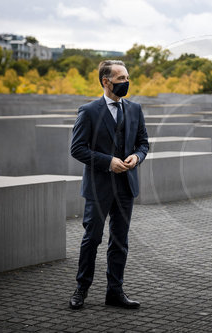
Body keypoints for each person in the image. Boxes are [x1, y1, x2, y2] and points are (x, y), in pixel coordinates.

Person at [69, 60, 149, 310]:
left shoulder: (135, 109)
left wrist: (137, 157)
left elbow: (143, 143)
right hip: (98, 186)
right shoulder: (89, 111)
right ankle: (81, 289)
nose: (126, 82)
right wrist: (108, 162)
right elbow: (77, 149)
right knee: (92, 239)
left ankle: (115, 292)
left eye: (127, 77)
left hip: (126, 186)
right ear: (106, 81)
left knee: (120, 241)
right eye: (121, 78)